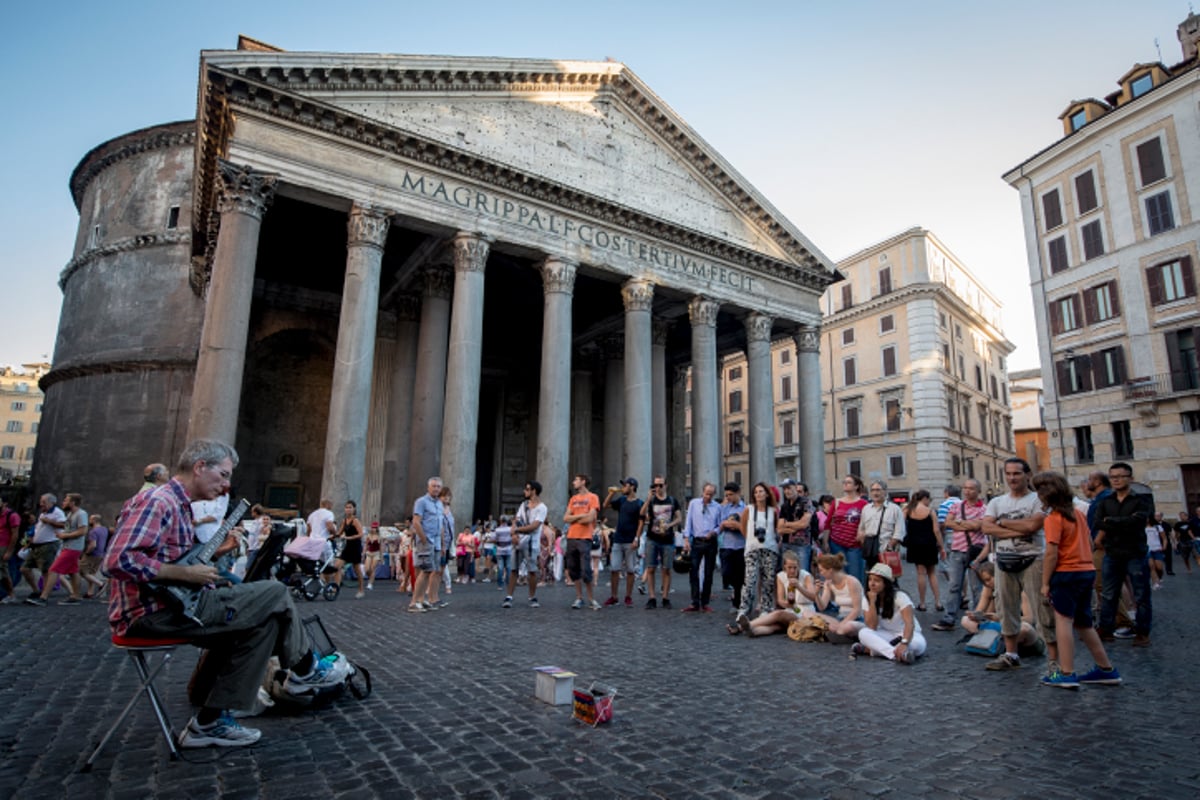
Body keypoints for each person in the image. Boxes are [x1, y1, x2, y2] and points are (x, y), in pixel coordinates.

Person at [104, 439, 348, 748]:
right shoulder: (159, 501)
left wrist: (217, 554)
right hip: (151, 614)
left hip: (175, 605)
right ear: (199, 467)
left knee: (266, 624)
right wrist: (185, 573)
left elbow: (177, 562)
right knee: (274, 592)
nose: (226, 485)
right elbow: (117, 560)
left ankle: (210, 722)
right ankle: (306, 669)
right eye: (223, 475)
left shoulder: (178, 506)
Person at [1033, 471, 1121, 689]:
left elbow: (1051, 553)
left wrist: (1045, 583)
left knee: (1063, 621)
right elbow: (1089, 541)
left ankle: (1066, 672)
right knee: (1084, 623)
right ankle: (1106, 668)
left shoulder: (1053, 519)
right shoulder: (1078, 514)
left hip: (1066, 573)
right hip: (1086, 570)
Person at [981, 457, 1055, 672]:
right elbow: (986, 528)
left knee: (1043, 610)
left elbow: (1034, 525)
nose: (1012, 478)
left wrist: (1001, 523)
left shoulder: (1037, 500)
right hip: (1004, 561)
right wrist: (1020, 529)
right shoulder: (996, 502)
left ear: (1027, 475)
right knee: (1006, 608)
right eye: (1009, 474)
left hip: (1033, 560)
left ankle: (1054, 661)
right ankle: (1011, 655)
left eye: (1017, 473)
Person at [1094, 462, 1154, 647]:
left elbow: (1138, 522)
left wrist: (1111, 521)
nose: (1117, 480)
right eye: (1113, 477)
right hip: (1112, 553)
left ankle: (1142, 632)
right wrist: (1121, 522)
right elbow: (1099, 522)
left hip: (1135, 553)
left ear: (1130, 478)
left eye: (1121, 476)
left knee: (1141, 595)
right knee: (1108, 594)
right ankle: (1106, 629)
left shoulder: (1141, 500)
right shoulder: (1106, 501)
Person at [933, 478, 989, 631]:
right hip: (957, 550)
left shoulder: (984, 509)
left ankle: (977, 617)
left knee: (976, 587)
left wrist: (960, 524)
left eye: (971, 488)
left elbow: (981, 525)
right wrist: (970, 525)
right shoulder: (957, 506)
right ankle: (949, 617)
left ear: (978, 490)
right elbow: (948, 523)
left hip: (976, 552)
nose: (967, 491)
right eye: (965, 488)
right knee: (954, 585)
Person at [959, 562, 1046, 659]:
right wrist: (975, 615)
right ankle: (997, 644)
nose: (988, 583)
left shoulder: (1020, 590)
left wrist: (1001, 618)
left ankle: (999, 644)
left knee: (1025, 628)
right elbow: (980, 611)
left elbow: (1030, 619)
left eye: (989, 579)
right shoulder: (988, 589)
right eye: (985, 581)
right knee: (965, 620)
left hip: (1018, 629)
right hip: (999, 629)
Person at [726, 549, 817, 637]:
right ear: (784, 566)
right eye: (789, 567)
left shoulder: (806, 576)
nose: (792, 570)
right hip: (791, 610)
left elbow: (813, 597)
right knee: (775, 626)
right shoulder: (781, 576)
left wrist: (799, 587)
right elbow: (780, 600)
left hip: (805, 612)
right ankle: (753, 631)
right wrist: (788, 604)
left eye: (795, 567)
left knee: (778, 614)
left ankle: (741, 626)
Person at [852, 563, 925, 663]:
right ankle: (895, 655)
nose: (872, 584)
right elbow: (872, 626)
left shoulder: (900, 596)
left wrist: (904, 643)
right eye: (870, 579)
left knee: (917, 646)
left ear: (886, 583)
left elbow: (909, 623)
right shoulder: (868, 598)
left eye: (876, 581)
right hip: (886, 634)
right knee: (863, 633)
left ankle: (872, 650)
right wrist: (872, 603)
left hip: (909, 635)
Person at [28, 492, 89, 606]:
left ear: (72, 502)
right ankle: (76, 596)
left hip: (73, 547)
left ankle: (43, 598)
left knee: (53, 570)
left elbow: (83, 531)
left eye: (66, 500)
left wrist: (65, 536)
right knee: (73, 571)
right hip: (68, 546)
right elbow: (67, 528)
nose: (63, 502)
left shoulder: (81, 514)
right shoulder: (70, 514)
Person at [734, 482, 780, 630]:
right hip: (752, 549)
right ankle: (744, 610)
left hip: (769, 548)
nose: (759, 494)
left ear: (767, 494)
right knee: (750, 579)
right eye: (756, 492)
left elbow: (776, 528)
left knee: (768, 581)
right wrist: (749, 539)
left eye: (761, 492)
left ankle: (766, 608)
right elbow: (742, 526)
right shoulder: (749, 509)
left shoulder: (773, 511)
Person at [640, 476, 682, 609]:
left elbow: (679, 518)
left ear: (666, 485)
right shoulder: (651, 500)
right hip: (652, 538)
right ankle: (652, 597)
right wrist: (647, 499)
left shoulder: (672, 501)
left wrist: (670, 525)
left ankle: (665, 597)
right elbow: (641, 514)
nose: (657, 488)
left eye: (660, 485)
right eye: (655, 485)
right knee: (651, 568)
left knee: (666, 569)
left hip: (667, 539)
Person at [603, 478, 643, 608]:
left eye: (625, 485)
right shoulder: (621, 501)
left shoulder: (639, 503)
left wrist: (636, 539)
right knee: (614, 569)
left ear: (632, 487)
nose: (623, 487)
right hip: (618, 539)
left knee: (630, 570)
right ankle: (614, 596)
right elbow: (605, 505)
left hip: (630, 540)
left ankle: (628, 596)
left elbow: (641, 523)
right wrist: (611, 493)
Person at [681, 482, 721, 613]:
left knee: (709, 572)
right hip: (697, 541)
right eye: (706, 493)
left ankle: (705, 602)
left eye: (710, 494)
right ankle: (694, 601)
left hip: (710, 542)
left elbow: (720, 525)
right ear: (702, 492)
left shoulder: (717, 507)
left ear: (714, 494)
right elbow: (688, 522)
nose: (708, 496)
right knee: (694, 571)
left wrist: (714, 532)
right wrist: (686, 538)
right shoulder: (693, 504)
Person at [505, 481, 545, 608]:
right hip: (519, 542)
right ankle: (509, 596)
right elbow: (517, 520)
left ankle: (532, 597)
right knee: (513, 569)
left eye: (527, 489)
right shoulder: (523, 505)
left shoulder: (542, 508)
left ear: (534, 491)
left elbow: (535, 526)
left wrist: (516, 530)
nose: (524, 491)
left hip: (532, 543)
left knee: (532, 571)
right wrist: (514, 534)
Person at [563, 474, 601, 610]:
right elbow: (565, 518)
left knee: (586, 569)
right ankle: (579, 598)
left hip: (585, 537)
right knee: (573, 569)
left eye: (576, 480)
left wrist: (575, 517)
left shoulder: (593, 497)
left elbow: (590, 518)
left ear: (583, 482)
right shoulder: (573, 499)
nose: (573, 482)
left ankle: (591, 599)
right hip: (572, 537)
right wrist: (581, 516)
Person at [902, 490, 943, 612]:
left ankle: (922, 603)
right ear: (925, 498)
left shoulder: (908, 510)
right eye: (928, 500)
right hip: (929, 544)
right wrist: (941, 546)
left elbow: (901, 525)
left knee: (921, 574)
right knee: (932, 573)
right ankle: (938, 602)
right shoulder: (931, 512)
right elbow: (936, 530)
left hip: (915, 544)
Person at [409, 477, 445, 613]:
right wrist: (423, 539)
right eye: (434, 486)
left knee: (431, 571)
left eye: (438, 486)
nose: (436, 488)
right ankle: (414, 602)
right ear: (428, 487)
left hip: (436, 542)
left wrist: (442, 544)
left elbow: (440, 525)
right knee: (424, 571)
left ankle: (421, 600)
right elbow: (416, 522)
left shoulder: (439, 504)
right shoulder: (421, 502)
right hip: (427, 540)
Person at [812, 552, 866, 639]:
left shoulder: (851, 581)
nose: (820, 573)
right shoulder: (828, 583)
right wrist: (816, 594)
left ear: (830, 570)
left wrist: (841, 625)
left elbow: (857, 609)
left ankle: (840, 633)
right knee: (807, 614)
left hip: (856, 619)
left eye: (821, 570)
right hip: (840, 618)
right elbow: (822, 607)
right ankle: (840, 633)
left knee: (848, 627)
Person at [21, 494, 65, 598]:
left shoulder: (57, 512)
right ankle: (36, 590)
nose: (41, 504)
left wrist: (49, 521)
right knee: (24, 568)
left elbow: (64, 525)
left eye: (44, 502)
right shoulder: (43, 513)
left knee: (45, 571)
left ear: (51, 502)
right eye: (41, 502)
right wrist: (30, 542)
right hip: (36, 546)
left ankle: (44, 596)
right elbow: (38, 529)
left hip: (48, 544)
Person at [858, 480, 904, 576]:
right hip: (870, 550)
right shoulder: (866, 509)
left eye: (878, 490)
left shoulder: (895, 509)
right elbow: (861, 528)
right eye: (873, 490)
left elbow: (899, 531)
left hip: (886, 550)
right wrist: (863, 542)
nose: (875, 493)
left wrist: (889, 546)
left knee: (888, 579)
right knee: (871, 578)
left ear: (885, 491)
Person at [827, 475, 868, 584]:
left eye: (849, 482)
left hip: (855, 544)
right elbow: (828, 522)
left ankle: (857, 599)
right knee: (839, 575)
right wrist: (825, 542)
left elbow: (868, 522)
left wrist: (863, 533)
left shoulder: (864, 504)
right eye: (844, 482)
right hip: (836, 543)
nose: (845, 484)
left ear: (856, 486)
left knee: (855, 576)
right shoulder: (836, 502)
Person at [717, 482, 747, 610]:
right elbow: (721, 523)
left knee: (739, 577)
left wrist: (736, 525)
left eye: (730, 495)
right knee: (726, 573)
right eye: (727, 495)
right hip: (726, 545)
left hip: (740, 545)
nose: (728, 497)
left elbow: (745, 526)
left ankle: (738, 602)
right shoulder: (725, 508)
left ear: (738, 493)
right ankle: (736, 594)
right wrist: (726, 524)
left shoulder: (745, 508)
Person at [777, 478, 814, 574]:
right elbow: (780, 528)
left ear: (795, 487)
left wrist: (787, 524)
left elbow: (804, 523)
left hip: (801, 544)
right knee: (786, 573)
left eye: (789, 488)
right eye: (784, 489)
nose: (786, 491)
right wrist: (794, 528)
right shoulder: (784, 506)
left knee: (802, 573)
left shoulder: (805, 502)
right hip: (786, 543)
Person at [335, 501, 366, 598]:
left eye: (350, 507)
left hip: (355, 547)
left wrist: (349, 537)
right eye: (347, 507)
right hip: (347, 547)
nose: (348, 509)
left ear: (354, 509)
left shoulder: (355, 520)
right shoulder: (345, 521)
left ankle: (361, 590)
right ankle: (336, 588)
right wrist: (331, 536)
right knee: (337, 567)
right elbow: (339, 533)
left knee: (357, 570)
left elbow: (361, 534)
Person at [81, 513, 110, 599]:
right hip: (101, 554)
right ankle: (90, 592)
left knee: (83, 572)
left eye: (90, 519)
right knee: (92, 573)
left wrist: (87, 552)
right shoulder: (105, 529)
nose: (89, 521)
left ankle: (101, 584)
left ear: (94, 520)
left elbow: (93, 545)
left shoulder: (93, 531)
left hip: (92, 554)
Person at [0, 498, 24, 602]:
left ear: (4, 503)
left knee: (3, 570)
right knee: (3, 571)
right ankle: (9, 593)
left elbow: (15, 535)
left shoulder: (12, 516)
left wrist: (9, 551)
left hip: (4, 546)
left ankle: (11, 594)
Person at [1145, 518, 1166, 590]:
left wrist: (1164, 546)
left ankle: (1159, 578)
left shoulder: (1157, 527)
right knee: (1151, 566)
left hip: (1157, 548)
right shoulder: (1141, 527)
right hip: (1147, 549)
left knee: (1159, 568)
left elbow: (1164, 538)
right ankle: (1155, 582)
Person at [363, 522, 382, 591]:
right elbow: (366, 545)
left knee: (372, 568)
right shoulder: (368, 535)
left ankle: (370, 583)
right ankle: (371, 577)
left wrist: (381, 557)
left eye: (375, 528)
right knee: (367, 569)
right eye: (372, 527)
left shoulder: (379, 537)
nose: (373, 529)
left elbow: (380, 547)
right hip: (369, 553)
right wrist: (363, 553)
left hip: (376, 553)